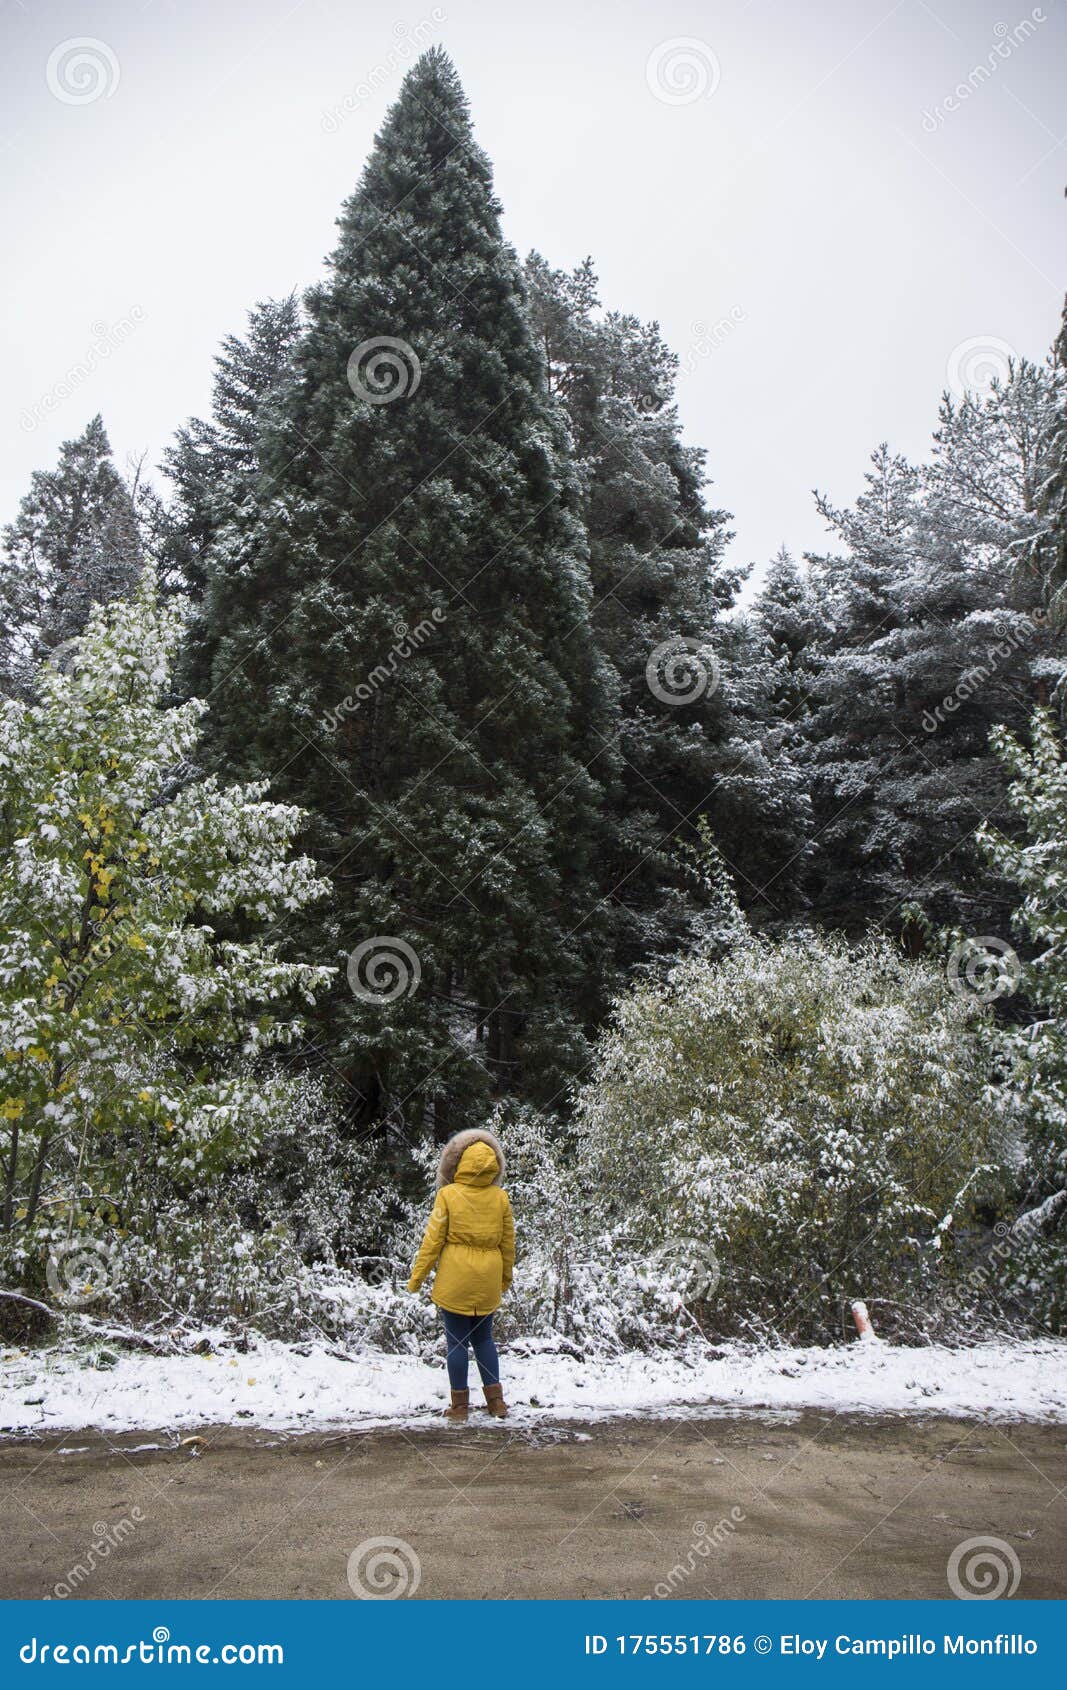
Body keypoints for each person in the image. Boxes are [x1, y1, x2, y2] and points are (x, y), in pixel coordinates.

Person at [406, 1128, 515, 1422]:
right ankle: (496, 1403)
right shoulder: (500, 1198)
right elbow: (508, 1243)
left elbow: (432, 1241)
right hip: (488, 1280)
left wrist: (417, 1278)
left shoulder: (447, 1195)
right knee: (484, 1340)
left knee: (456, 1343)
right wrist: (505, 1277)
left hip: (455, 1279)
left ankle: (459, 1407)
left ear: (456, 1163)